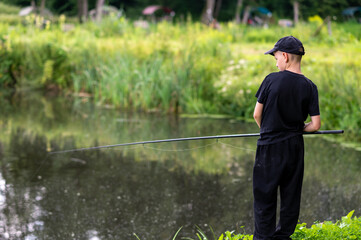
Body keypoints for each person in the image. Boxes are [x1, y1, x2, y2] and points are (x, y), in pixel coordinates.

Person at [252, 36, 321, 240]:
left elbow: (257, 114)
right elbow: (316, 125)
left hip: (269, 147)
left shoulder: (271, 79)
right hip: (294, 147)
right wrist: (297, 128)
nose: (276, 63)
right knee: (291, 194)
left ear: (285, 56)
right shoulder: (310, 86)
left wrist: (269, 130)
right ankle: (283, 236)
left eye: (275, 58)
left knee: (265, 195)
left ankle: (263, 237)